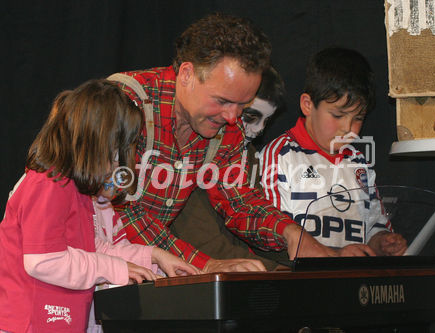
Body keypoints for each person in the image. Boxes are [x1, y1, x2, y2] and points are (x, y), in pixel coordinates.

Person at [110, 13, 337, 273]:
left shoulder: (225, 128)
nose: (232, 117)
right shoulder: (124, 103)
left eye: (242, 105)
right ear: (187, 74)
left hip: (139, 267)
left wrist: (291, 233)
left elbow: (239, 201)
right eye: (222, 100)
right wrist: (205, 264)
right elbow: (118, 210)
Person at [0, 79, 199, 333]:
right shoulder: (48, 183)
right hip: (29, 323)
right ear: (97, 142)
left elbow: (93, 248)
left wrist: (153, 257)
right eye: (117, 153)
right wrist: (114, 268)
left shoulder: (75, 188)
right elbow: (44, 260)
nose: (119, 165)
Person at [260, 47, 407, 256]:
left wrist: (382, 242)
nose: (348, 128)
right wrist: (335, 255)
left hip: (352, 283)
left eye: (358, 118)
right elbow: (271, 235)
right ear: (308, 105)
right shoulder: (279, 156)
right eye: (338, 115)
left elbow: (374, 223)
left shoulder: (359, 162)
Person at [170, 67, 288, 271]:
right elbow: (200, 239)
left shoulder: (250, 155)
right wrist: (275, 270)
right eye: (250, 116)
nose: (259, 129)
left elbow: (255, 226)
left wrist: (305, 256)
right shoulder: (193, 150)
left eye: (266, 121)